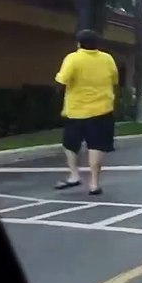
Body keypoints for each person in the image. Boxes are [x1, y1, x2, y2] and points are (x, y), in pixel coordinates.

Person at [53, 29, 119, 195]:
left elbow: (61, 81)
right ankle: (94, 184)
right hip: (103, 110)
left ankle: (74, 175)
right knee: (96, 146)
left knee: (70, 144)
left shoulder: (73, 58)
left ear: (79, 43)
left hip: (76, 111)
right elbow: (115, 80)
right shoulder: (107, 59)